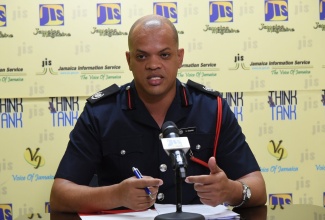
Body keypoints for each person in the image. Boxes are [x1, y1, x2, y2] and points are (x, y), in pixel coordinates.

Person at [50, 14, 266, 213]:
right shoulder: (101, 113)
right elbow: (60, 195)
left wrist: (232, 191)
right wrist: (116, 195)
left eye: (164, 55)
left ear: (179, 57)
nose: (153, 65)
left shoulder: (212, 108)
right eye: (142, 56)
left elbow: (257, 188)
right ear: (129, 60)